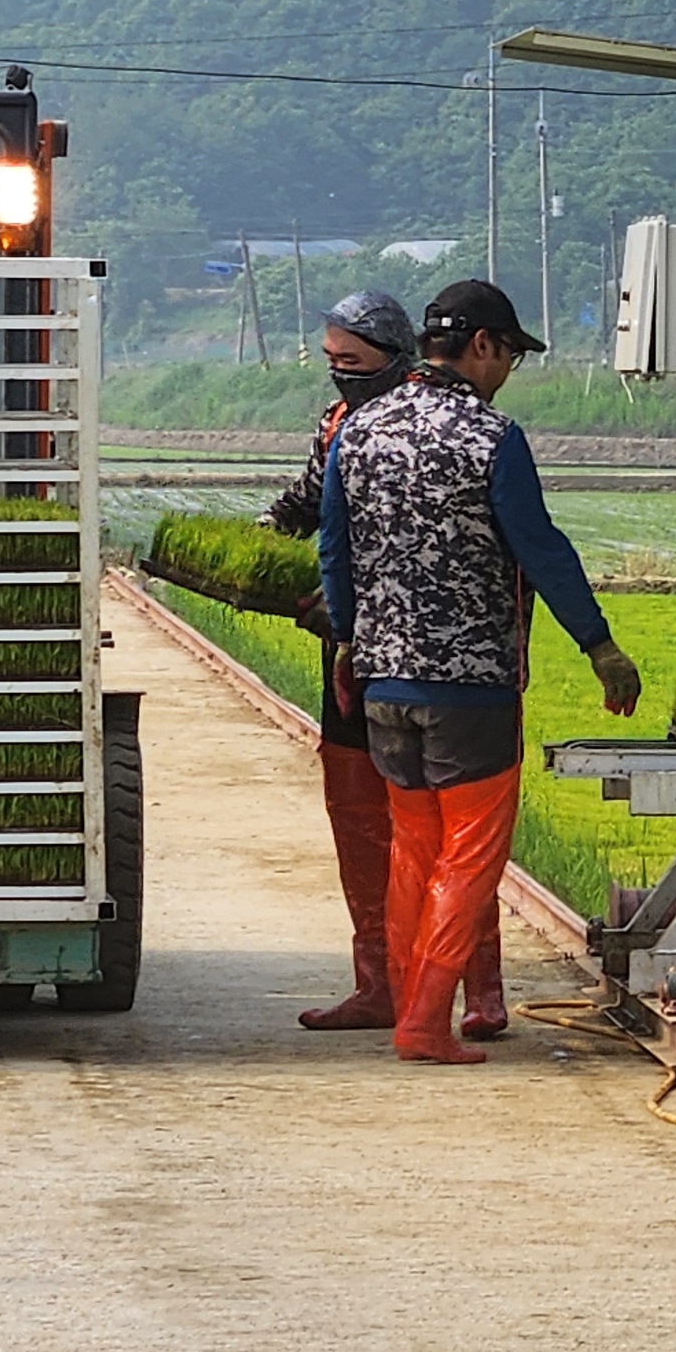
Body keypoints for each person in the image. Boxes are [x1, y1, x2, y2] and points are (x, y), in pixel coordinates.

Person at [319, 277, 641, 1065]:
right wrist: (599, 645)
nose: (506, 374)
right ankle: (426, 1022)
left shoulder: (359, 431)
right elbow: (541, 547)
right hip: (471, 691)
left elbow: (334, 548)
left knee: (412, 851)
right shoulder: (491, 437)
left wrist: (350, 641)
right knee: (468, 856)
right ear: (484, 346)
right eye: (508, 357)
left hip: (385, 687)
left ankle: (408, 1008)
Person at [264, 289, 472, 1032]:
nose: (340, 374)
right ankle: (380, 981)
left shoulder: (431, 422)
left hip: (430, 653)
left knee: (449, 824)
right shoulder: (336, 425)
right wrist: (260, 542)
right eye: (331, 361)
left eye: (351, 361)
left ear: (392, 356)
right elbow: (304, 506)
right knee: (359, 815)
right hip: (350, 648)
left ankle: (473, 991)